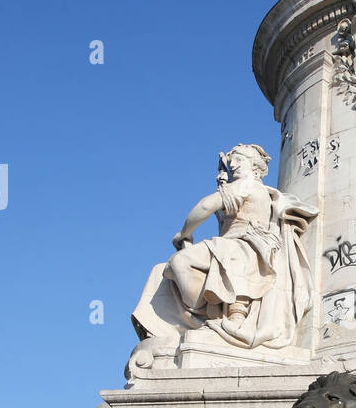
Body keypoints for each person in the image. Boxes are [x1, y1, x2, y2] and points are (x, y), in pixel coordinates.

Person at [130, 144, 317, 363]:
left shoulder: (246, 185)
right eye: (231, 161)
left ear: (255, 167)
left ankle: (208, 319)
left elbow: (204, 207)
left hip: (244, 248)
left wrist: (184, 234)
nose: (233, 164)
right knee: (160, 272)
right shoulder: (251, 188)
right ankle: (208, 317)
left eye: (239, 159)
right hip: (235, 246)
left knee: (180, 262)